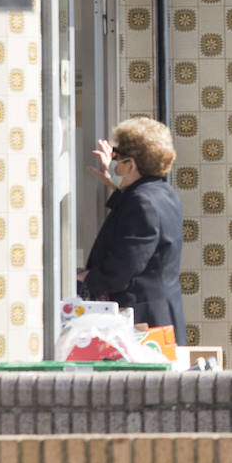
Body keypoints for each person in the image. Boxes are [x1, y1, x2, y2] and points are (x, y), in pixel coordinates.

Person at [78, 116, 185, 331]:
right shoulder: (164, 193)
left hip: (140, 319)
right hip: (161, 312)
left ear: (132, 164)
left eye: (117, 157)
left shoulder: (141, 201)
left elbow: (124, 265)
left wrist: (85, 278)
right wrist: (115, 183)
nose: (114, 164)